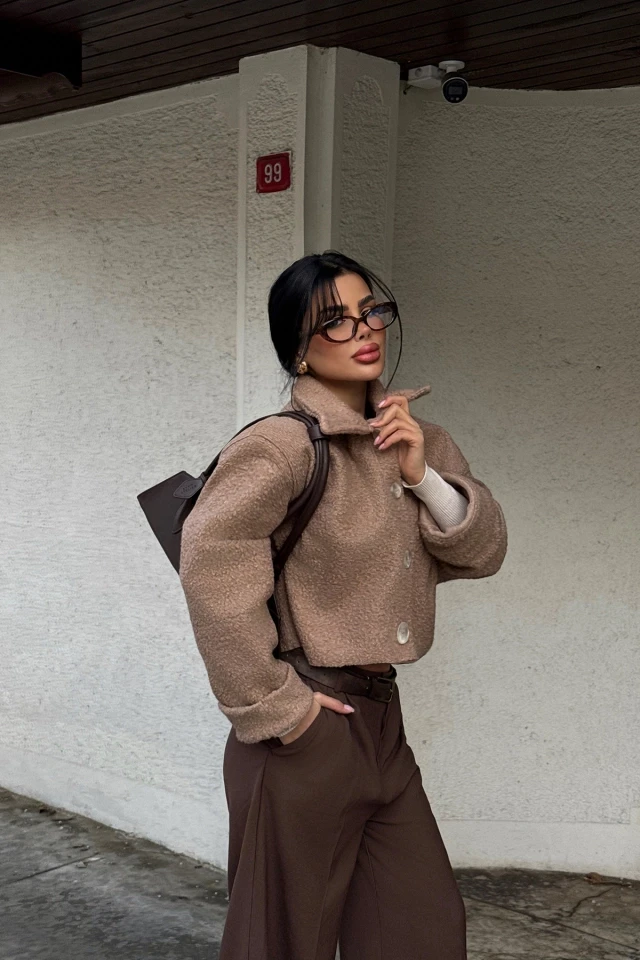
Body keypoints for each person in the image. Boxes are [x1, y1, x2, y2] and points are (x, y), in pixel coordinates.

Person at [178, 250, 508, 960]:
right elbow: (211, 563)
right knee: (280, 943)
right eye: (335, 321)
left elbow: (482, 552)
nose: (363, 330)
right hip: (305, 729)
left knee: (421, 929)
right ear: (298, 350)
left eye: (371, 311)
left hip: (383, 726)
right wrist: (279, 708)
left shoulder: (421, 439)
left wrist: (421, 475)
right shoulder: (283, 445)